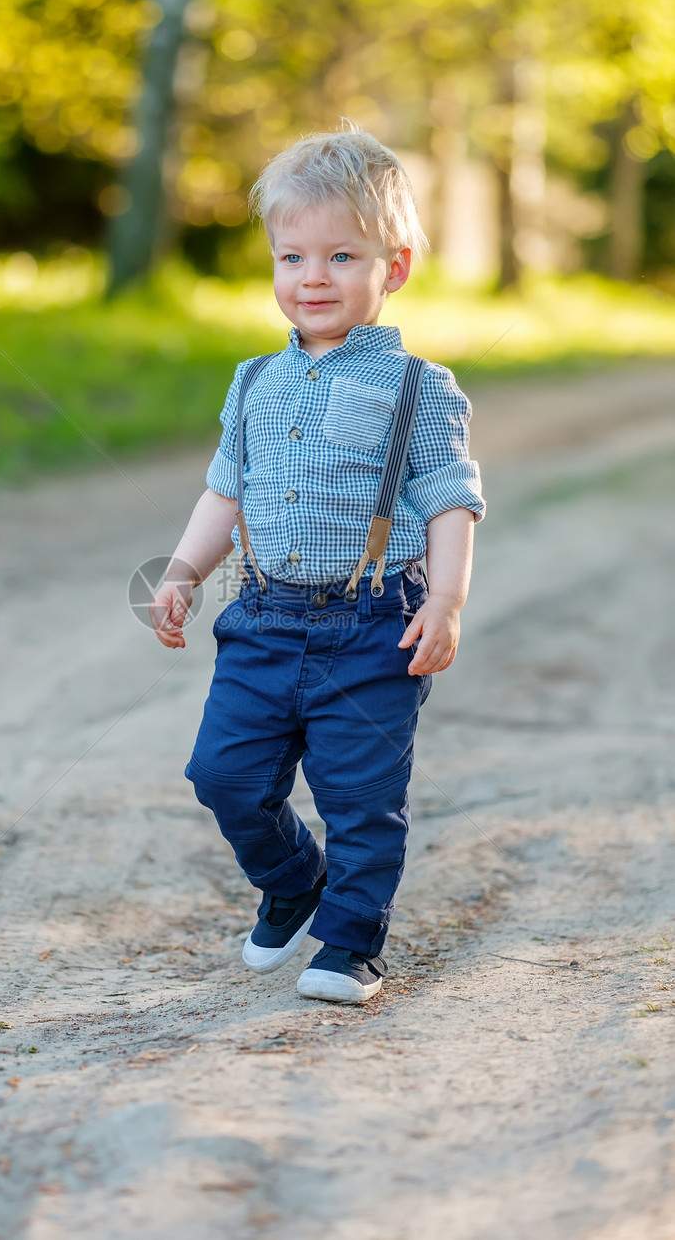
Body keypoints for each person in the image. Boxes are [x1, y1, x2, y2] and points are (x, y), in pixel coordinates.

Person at [150, 127, 485, 1005]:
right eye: (292, 255)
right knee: (222, 775)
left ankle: (349, 942)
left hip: (373, 625)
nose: (313, 278)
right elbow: (226, 493)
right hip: (263, 618)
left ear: (395, 266)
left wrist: (445, 599)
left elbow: (452, 501)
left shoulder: (420, 387)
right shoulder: (254, 380)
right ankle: (296, 879)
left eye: (342, 255)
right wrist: (184, 570)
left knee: (361, 796)